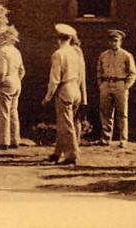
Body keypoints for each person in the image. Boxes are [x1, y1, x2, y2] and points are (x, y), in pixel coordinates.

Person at [41, 23, 83, 165]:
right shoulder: (75, 52)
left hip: (64, 89)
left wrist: (48, 97)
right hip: (75, 88)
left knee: (66, 124)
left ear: (59, 39)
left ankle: (72, 155)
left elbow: (54, 79)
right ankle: (57, 153)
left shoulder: (58, 54)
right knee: (64, 123)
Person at [96, 29, 136, 147]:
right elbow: (99, 70)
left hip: (120, 84)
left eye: (116, 41)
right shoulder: (103, 55)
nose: (113, 43)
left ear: (120, 42)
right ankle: (105, 138)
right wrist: (101, 84)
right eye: (111, 41)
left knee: (122, 113)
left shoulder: (126, 55)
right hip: (106, 84)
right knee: (105, 112)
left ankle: (123, 139)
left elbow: (133, 73)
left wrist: (126, 86)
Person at [0, 25, 25, 150]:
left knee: (3, 112)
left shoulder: (3, 51)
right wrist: (16, 80)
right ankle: (14, 139)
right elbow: (22, 70)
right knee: (13, 111)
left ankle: (2, 141)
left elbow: (1, 71)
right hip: (16, 81)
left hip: (7, 82)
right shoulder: (17, 52)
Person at [70, 34, 88, 143]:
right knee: (75, 117)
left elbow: (81, 73)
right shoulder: (78, 51)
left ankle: (73, 141)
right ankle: (75, 140)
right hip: (78, 87)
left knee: (72, 117)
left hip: (73, 85)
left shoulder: (73, 51)